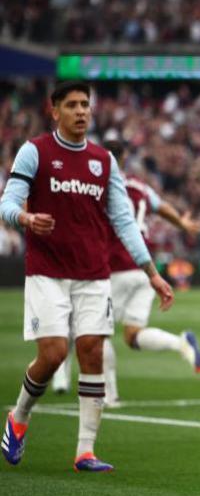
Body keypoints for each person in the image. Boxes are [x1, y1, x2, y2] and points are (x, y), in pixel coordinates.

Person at [0, 81, 174, 472]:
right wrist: (25, 217)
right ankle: (20, 416)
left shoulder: (104, 161)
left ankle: (85, 451)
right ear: (55, 110)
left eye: (86, 105)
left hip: (94, 274)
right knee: (54, 354)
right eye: (73, 105)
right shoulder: (36, 151)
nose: (81, 111)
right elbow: (8, 201)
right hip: (47, 272)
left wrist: (152, 273)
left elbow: (125, 222)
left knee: (92, 350)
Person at [50, 138, 200, 407]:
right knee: (133, 334)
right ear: (124, 158)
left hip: (114, 266)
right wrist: (182, 223)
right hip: (144, 268)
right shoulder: (139, 185)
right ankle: (180, 344)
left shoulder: (98, 185)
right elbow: (162, 207)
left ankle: (109, 395)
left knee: (97, 332)